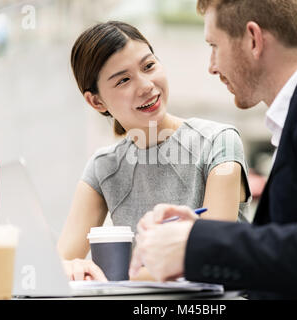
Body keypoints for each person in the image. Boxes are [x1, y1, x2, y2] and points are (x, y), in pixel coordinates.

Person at [130, 0, 297, 299]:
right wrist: (198, 237)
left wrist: (197, 245)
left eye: (214, 46)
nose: (211, 66)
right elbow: (294, 259)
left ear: (253, 39)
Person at [57, 21, 252, 281]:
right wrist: (69, 269)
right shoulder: (103, 167)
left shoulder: (219, 142)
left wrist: (113, 281)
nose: (146, 85)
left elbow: (209, 256)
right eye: (124, 80)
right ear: (96, 101)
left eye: (149, 66)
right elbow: (61, 262)